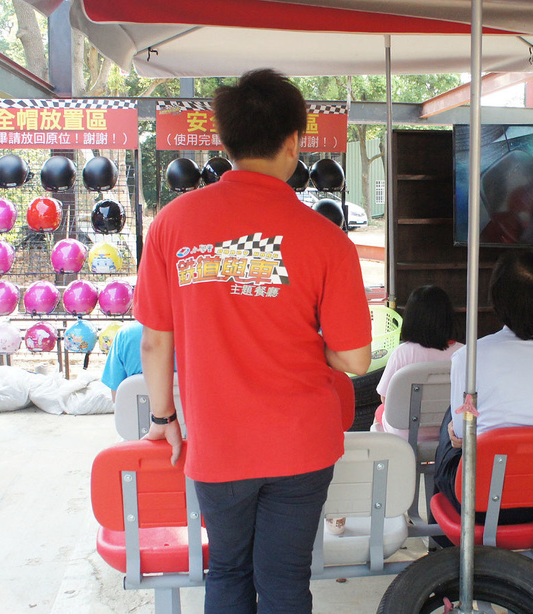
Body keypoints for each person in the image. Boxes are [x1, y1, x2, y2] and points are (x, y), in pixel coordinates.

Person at [134, 69, 372, 614]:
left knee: (228, 572)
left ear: (224, 143)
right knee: (285, 582)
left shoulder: (172, 223)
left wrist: (164, 420)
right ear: (294, 141)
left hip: (218, 444)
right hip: (301, 445)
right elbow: (356, 358)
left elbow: (154, 342)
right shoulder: (326, 239)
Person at [433, 251, 533, 523]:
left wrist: (457, 431)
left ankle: (445, 551)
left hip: (478, 498)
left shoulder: (469, 357)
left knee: (454, 415)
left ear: (497, 300)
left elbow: (461, 434)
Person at [372, 284, 463, 437]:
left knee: (380, 411)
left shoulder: (402, 353)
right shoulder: (463, 353)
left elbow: (385, 398)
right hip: (451, 433)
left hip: (406, 435)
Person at [100, 321, 144, 401]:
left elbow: (116, 394)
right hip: (173, 407)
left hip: (136, 410)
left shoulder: (125, 333)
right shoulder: (174, 328)